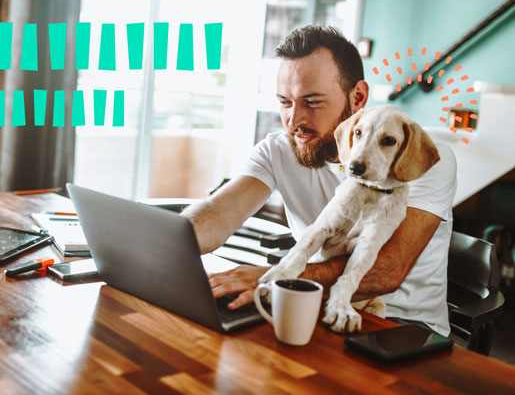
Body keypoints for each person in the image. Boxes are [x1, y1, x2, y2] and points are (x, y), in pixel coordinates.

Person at [181, 25, 457, 336]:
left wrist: (277, 276)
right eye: (285, 102)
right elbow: (217, 213)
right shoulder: (278, 150)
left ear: (358, 97)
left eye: (312, 102)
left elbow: (387, 270)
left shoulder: (419, 159)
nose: (294, 121)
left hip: (405, 329)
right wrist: (165, 242)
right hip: (312, 308)